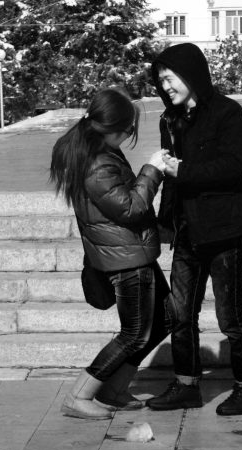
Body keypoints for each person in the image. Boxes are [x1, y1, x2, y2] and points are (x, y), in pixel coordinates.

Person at [146, 43, 242, 416]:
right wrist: (164, 223)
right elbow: (170, 178)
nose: (166, 87)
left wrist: (183, 171)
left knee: (230, 316)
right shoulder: (170, 119)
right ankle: (186, 385)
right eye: (161, 81)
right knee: (181, 313)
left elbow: (232, 167)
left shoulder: (228, 112)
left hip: (224, 228)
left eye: (169, 78)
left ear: (190, 73)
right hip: (186, 230)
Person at [50, 87, 175, 420]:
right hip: (126, 259)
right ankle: (79, 395)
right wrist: (153, 169)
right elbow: (131, 208)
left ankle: (114, 389)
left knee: (165, 319)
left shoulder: (98, 150)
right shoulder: (97, 163)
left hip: (130, 251)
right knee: (134, 334)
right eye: (128, 129)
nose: (129, 135)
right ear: (111, 127)